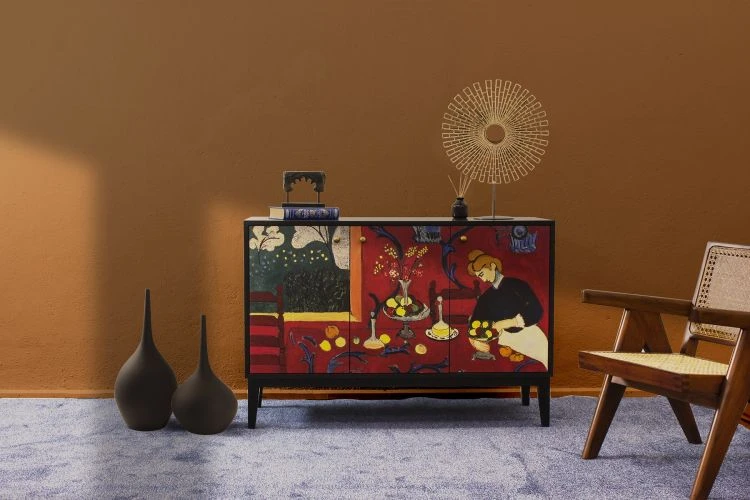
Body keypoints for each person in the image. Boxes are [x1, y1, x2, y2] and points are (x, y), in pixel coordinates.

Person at [466, 249, 548, 369]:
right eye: (479, 277)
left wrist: (510, 322)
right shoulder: (486, 297)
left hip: (530, 337)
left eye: (482, 274)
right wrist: (474, 341)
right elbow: (475, 322)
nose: (483, 280)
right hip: (505, 341)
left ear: (492, 266)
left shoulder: (517, 285)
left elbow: (536, 311)